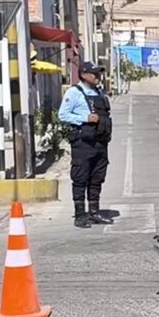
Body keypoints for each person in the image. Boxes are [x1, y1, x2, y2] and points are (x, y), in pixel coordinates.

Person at [58, 62, 114, 228]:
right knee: (81, 178)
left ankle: (94, 212)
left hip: (100, 142)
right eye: (94, 73)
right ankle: (80, 214)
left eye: (98, 73)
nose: (97, 76)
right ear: (83, 74)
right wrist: (84, 118)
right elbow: (63, 115)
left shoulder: (100, 92)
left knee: (97, 178)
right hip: (83, 143)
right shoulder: (74, 93)